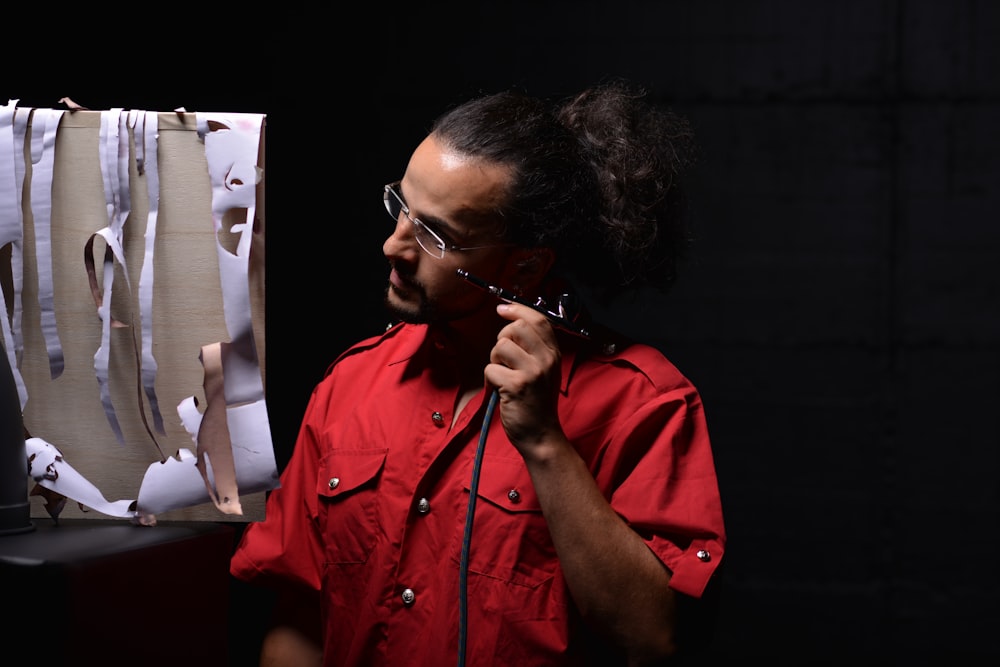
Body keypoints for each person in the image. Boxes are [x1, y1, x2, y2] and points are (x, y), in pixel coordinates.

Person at [230, 79, 727, 666]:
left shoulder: (645, 402)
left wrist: (545, 443)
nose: (394, 246)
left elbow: (651, 639)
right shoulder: (350, 385)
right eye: (401, 207)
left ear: (524, 265)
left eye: (436, 235)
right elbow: (301, 613)